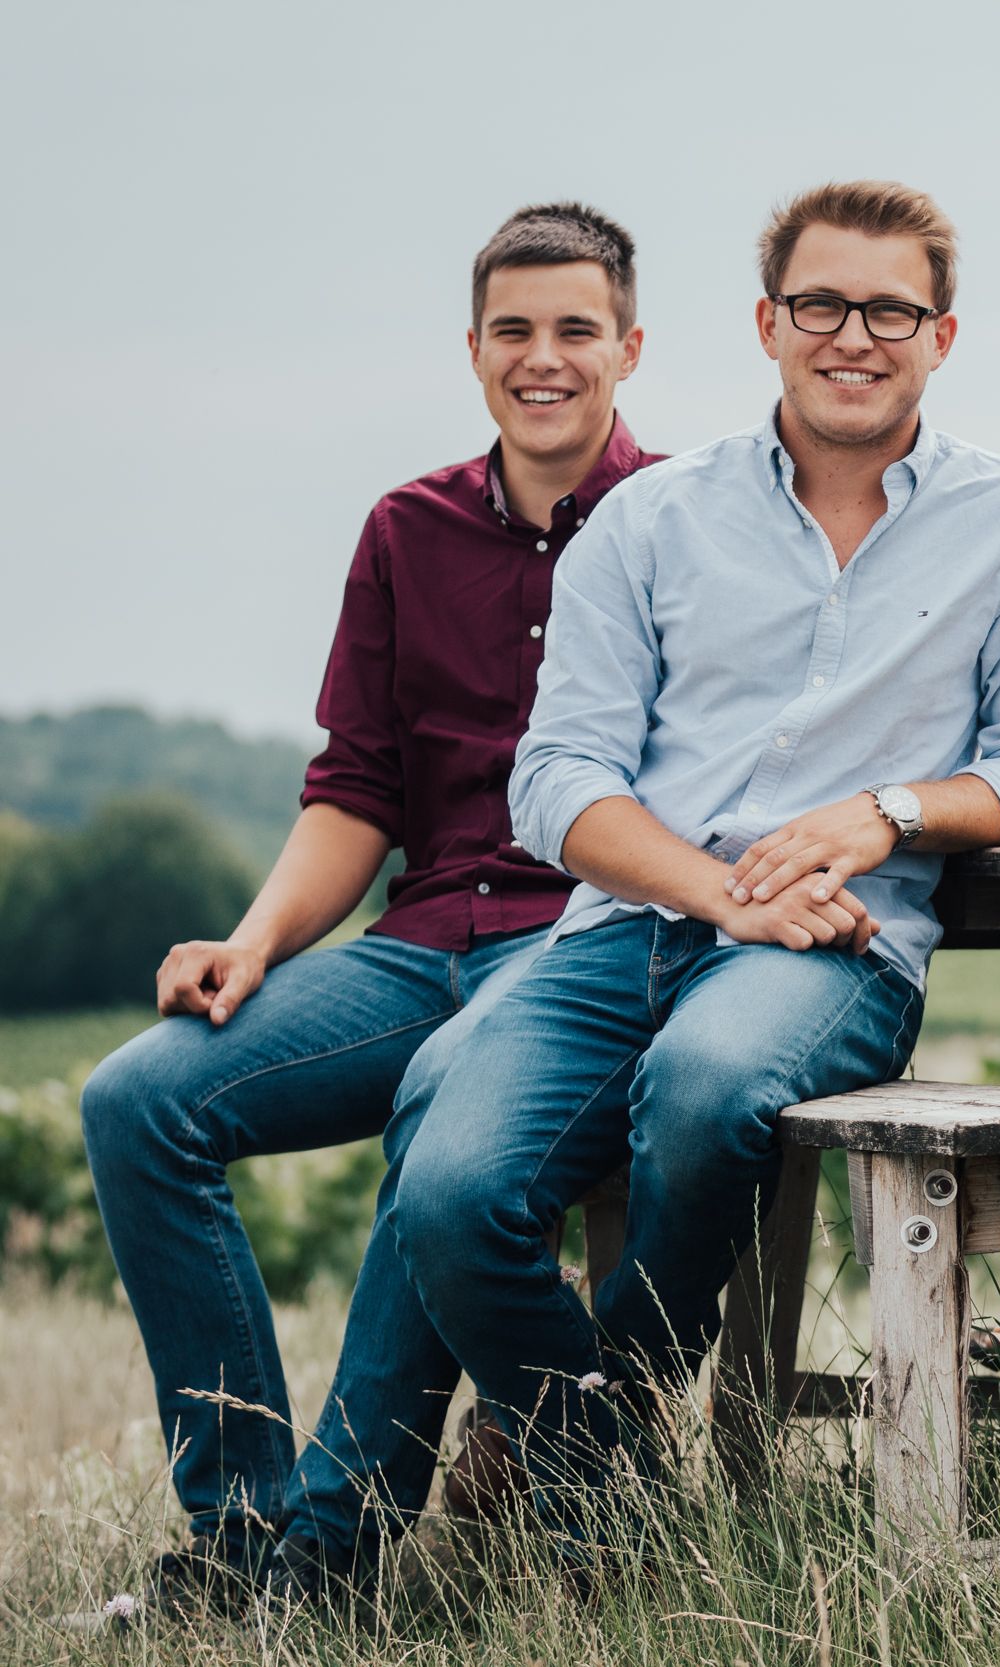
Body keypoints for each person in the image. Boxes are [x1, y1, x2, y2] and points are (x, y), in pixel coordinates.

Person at [276, 179, 1000, 1574]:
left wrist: (887, 811)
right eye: (824, 304)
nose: (857, 334)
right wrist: (724, 891)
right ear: (767, 322)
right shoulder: (653, 518)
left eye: (890, 309)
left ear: (941, 335)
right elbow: (558, 781)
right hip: (624, 932)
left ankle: (618, 1400)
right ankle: (605, 1459)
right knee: (449, 1180)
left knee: (710, 1084)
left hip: (834, 951)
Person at [73, 203, 659, 1621]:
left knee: (438, 1116)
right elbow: (356, 790)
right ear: (472, 351)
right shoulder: (407, 528)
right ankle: (239, 1532)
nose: (544, 357)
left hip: (582, 948)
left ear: (629, 347)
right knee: (137, 1097)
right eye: (514, 330)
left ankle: (332, 1552)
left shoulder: (681, 521)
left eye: (575, 328)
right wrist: (255, 939)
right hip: (417, 944)